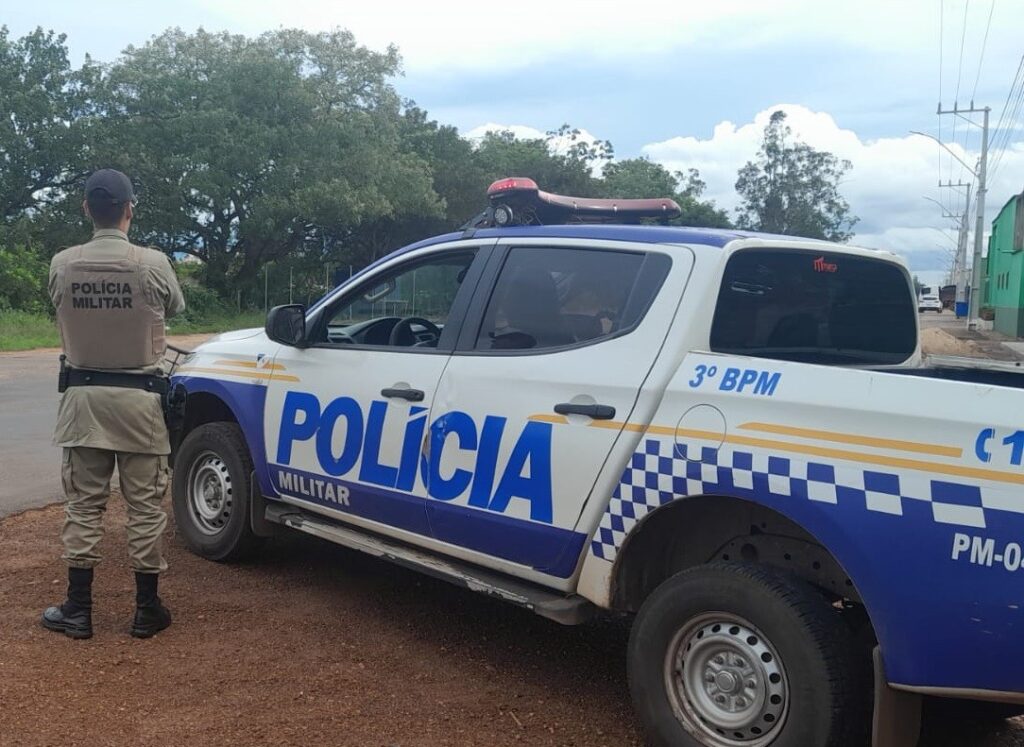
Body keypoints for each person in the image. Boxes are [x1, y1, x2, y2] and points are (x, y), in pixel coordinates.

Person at [41, 169, 185, 640]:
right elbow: (176, 307)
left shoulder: (63, 263)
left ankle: (78, 609)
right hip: (139, 400)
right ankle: (147, 608)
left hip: (83, 398)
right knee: (145, 508)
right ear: (129, 208)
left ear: (86, 208)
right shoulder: (152, 262)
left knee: (84, 505)